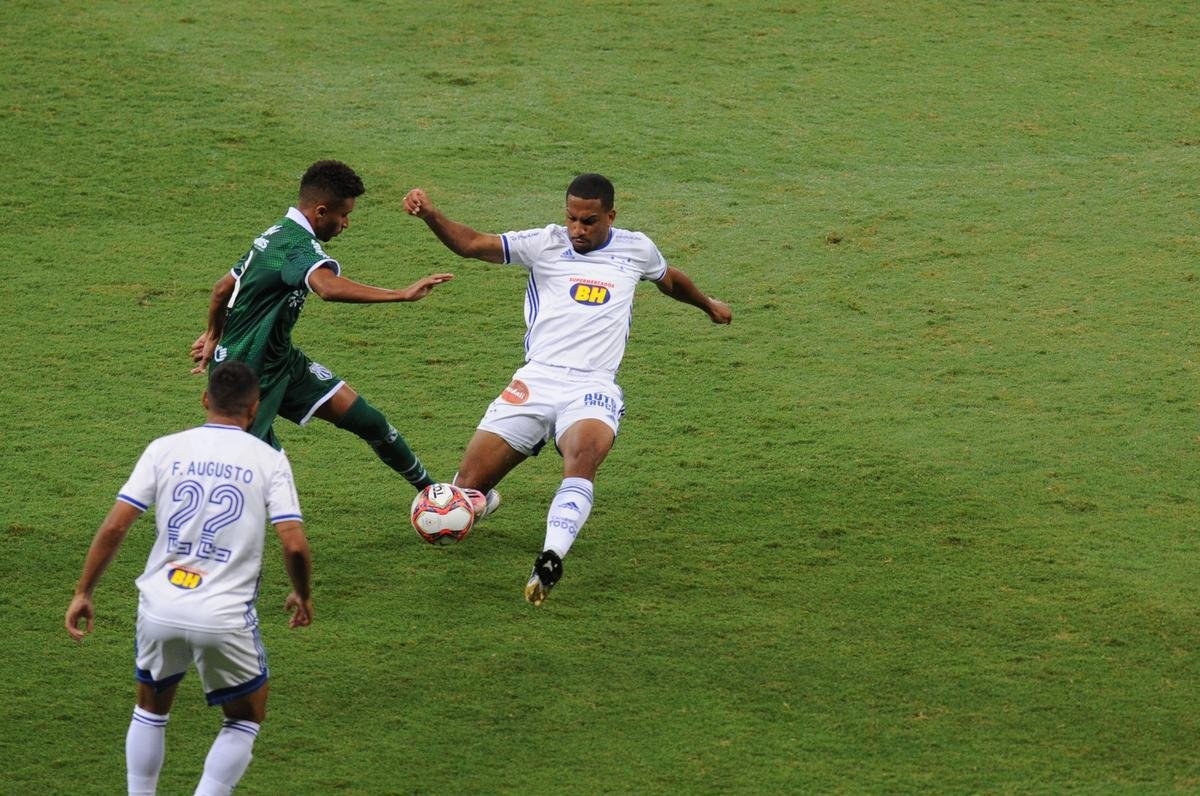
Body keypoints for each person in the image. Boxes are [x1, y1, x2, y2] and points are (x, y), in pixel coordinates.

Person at [403, 173, 732, 605]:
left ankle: (551, 557)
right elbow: (473, 244)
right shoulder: (544, 243)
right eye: (572, 218)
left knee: (581, 460)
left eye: (589, 221)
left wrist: (707, 304)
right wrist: (431, 215)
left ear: (610, 216)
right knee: (466, 488)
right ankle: (482, 501)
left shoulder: (636, 248)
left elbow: (668, 278)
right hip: (535, 381)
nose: (578, 229)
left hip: (593, 387)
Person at [65, 361, 314, 796]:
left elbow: (114, 528)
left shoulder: (164, 448)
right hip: (224, 616)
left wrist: (84, 591)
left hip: (160, 606)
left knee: (151, 711)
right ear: (254, 409)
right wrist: (301, 593)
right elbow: (293, 544)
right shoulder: (270, 460)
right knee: (243, 717)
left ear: (205, 399)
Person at [190, 159, 459, 498]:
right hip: (245, 374)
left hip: (281, 362)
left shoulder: (275, 234)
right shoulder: (298, 247)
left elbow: (222, 289)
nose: (345, 224)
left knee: (371, 421)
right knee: (258, 477)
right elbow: (327, 288)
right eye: (343, 215)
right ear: (320, 212)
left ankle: (436, 495)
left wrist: (214, 334)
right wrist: (400, 294)